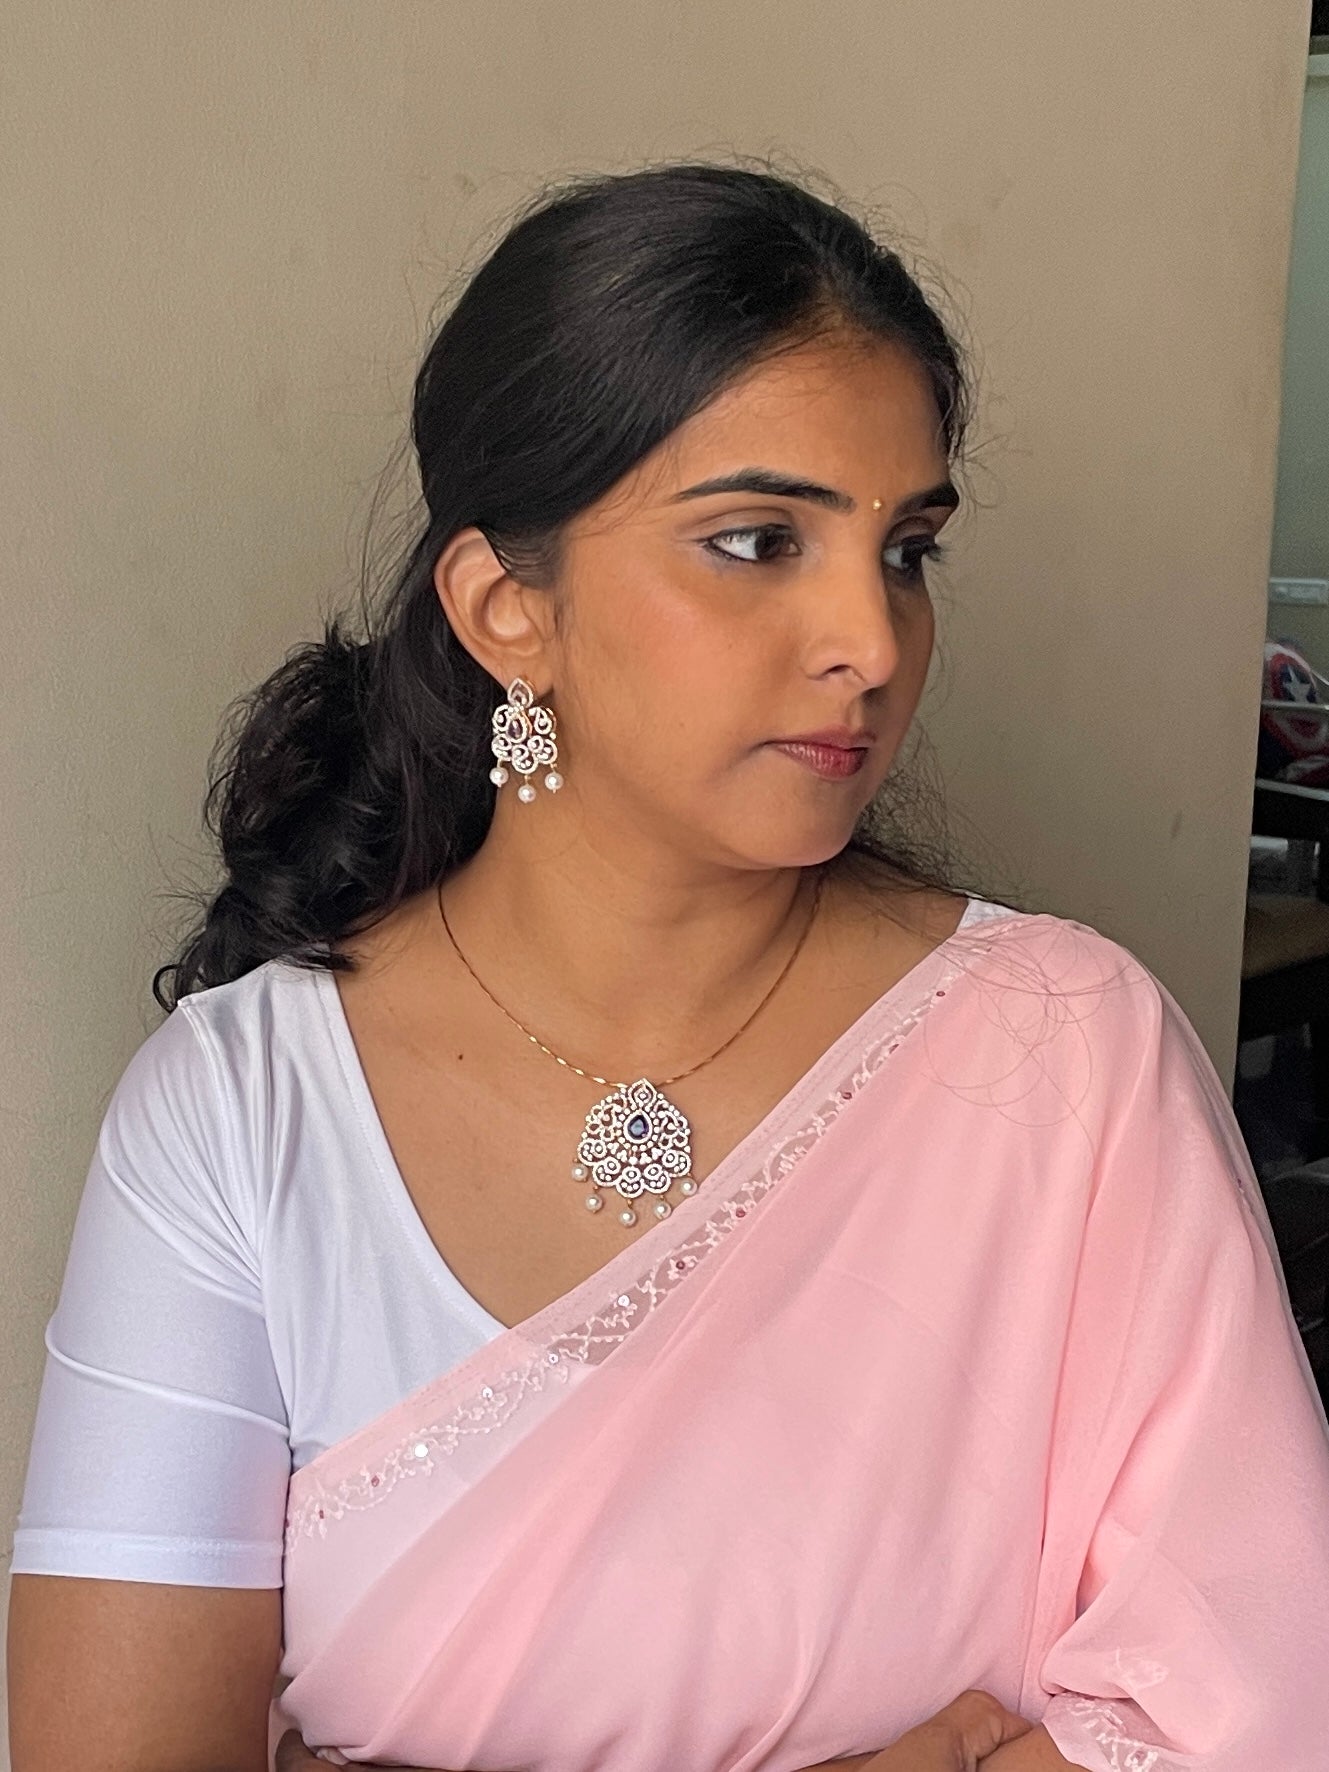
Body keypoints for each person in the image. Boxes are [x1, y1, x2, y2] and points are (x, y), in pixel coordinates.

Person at [7, 159, 1329, 1772]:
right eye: (758, 539)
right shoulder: (243, 1108)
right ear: (508, 608)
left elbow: (1255, 1704)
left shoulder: (1065, 1055)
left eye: (906, 550)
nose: (870, 641)